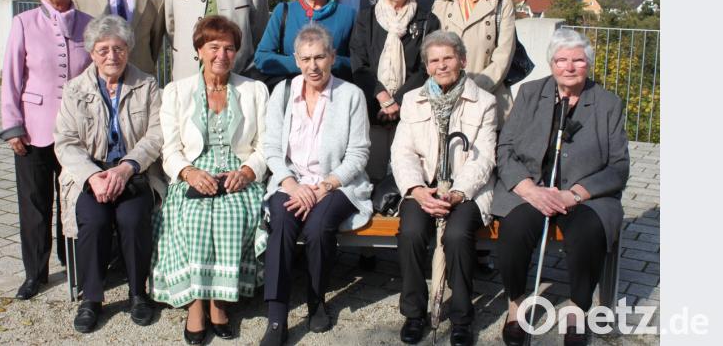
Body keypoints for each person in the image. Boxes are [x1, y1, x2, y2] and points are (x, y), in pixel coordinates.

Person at [492, 29, 630, 346]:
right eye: (562, 60)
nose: (569, 67)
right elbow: (505, 149)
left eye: (578, 60)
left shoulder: (608, 104)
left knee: (587, 233)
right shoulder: (529, 94)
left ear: (588, 64)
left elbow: (619, 167)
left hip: (584, 197)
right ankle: (515, 306)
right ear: (551, 63)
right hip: (533, 189)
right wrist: (528, 189)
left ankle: (577, 311)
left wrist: (574, 194)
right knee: (513, 230)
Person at [150, 15, 269, 345]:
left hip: (239, 170)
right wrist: (188, 173)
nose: (222, 55)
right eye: (213, 47)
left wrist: (246, 172)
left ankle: (219, 302)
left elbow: (265, 146)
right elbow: (170, 149)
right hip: (193, 170)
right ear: (199, 50)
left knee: (233, 215)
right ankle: (197, 305)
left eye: (229, 48)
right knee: (192, 217)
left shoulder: (254, 90)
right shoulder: (176, 91)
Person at [258, 24, 372, 346]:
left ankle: (316, 300)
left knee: (319, 227)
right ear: (296, 59)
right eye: (306, 58)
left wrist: (324, 186)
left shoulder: (351, 95)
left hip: (338, 183)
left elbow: (358, 153)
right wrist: (292, 185)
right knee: (280, 221)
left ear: (332, 57)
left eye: (320, 57)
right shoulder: (283, 93)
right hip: (292, 181)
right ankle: (277, 318)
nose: (313, 66)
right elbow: (271, 149)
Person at [54, 14, 165, 333]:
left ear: (128, 49)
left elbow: (155, 135)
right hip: (91, 176)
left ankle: (138, 294)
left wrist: (127, 167)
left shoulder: (146, 84)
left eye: (118, 48)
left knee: (132, 219)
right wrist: (92, 176)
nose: (111, 56)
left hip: (135, 172)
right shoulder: (75, 89)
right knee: (95, 220)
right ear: (91, 53)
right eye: (103, 50)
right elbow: (65, 141)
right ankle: (92, 298)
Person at [391, 31, 497, 346]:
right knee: (410, 231)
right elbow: (402, 152)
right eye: (434, 60)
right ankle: (413, 313)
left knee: (456, 235)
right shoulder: (413, 100)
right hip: (423, 185)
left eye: (448, 58)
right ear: (426, 66)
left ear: (462, 60)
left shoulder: (485, 102)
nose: (441, 65)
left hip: (468, 189)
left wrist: (457, 193)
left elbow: (485, 158)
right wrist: (416, 189)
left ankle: (462, 317)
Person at [0, 0, 92, 301]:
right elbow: (10, 77)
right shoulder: (24, 23)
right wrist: (12, 126)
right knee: (35, 205)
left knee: (73, 201)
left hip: (77, 133)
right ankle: (34, 274)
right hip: (33, 130)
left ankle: (75, 267)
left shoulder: (88, 24)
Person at [350, 0, 440, 183]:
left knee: (408, 175)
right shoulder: (365, 19)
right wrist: (382, 97)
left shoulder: (428, 21)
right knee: (373, 175)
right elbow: (360, 65)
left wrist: (398, 101)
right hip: (372, 110)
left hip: (411, 110)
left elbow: (426, 68)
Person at [433, 0, 515, 127]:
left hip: (488, 96)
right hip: (446, 99)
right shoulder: (440, 5)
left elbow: (503, 57)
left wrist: (471, 90)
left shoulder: (502, 5)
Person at [253, 0, 357, 84]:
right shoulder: (284, 11)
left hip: (335, 93)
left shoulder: (348, 14)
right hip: (292, 95)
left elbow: (359, 62)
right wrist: (302, 62)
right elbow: (262, 58)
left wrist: (331, 61)